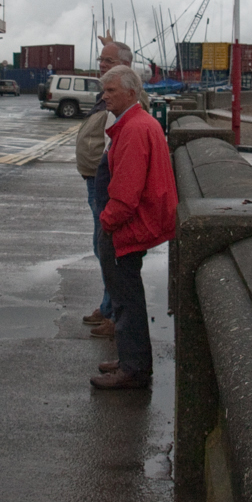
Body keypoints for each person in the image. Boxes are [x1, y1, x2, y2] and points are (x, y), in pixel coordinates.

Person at [91, 65, 178, 391]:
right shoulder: (141, 123)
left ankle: (134, 369)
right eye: (105, 91)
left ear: (130, 92)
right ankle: (132, 359)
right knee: (128, 296)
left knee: (126, 299)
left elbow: (126, 195)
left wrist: (106, 224)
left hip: (127, 227)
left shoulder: (133, 130)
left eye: (111, 91)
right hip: (137, 224)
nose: (105, 97)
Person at [75, 36, 134, 338]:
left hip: (107, 186)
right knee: (102, 247)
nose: (101, 65)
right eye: (101, 60)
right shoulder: (110, 95)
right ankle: (108, 307)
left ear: (124, 66)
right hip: (96, 182)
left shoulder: (128, 99)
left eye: (108, 61)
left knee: (109, 250)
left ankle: (113, 313)